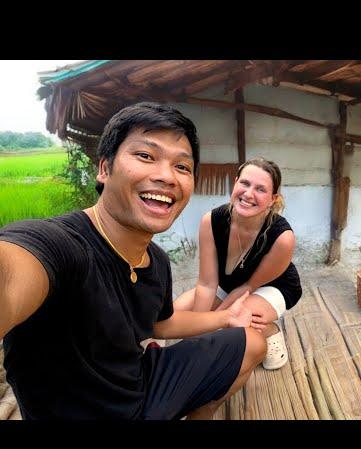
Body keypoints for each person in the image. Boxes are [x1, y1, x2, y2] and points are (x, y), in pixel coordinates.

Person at [0, 102, 267, 420]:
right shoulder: (61, 246)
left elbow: (160, 323)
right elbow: (11, 275)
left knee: (251, 342)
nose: (167, 176)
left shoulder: (155, 260)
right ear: (104, 168)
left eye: (182, 167)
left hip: (137, 386)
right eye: (146, 156)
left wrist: (226, 319)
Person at [173, 157, 302, 370]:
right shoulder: (211, 221)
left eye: (261, 189)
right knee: (177, 312)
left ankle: (269, 330)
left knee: (229, 331)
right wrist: (197, 331)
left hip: (271, 287)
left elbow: (247, 288)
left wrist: (213, 325)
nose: (249, 194)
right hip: (231, 284)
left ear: (272, 199)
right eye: (245, 183)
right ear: (235, 183)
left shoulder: (282, 237)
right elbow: (206, 284)